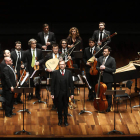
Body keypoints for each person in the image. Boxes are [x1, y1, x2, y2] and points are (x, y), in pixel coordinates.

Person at [51, 60, 74, 126]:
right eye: (60, 64)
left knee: (65, 107)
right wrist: (52, 93)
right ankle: (60, 120)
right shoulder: (55, 73)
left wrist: (72, 93)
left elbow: (71, 84)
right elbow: (53, 84)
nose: (61, 65)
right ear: (59, 65)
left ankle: (66, 121)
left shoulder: (68, 72)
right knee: (59, 108)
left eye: (63, 64)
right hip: (58, 93)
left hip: (66, 93)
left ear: (65, 65)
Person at [96, 46, 116, 112]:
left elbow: (114, 69)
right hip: (101, 79)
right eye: (103, 51)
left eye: (105, 51)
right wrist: (100, 68)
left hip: (108, 79)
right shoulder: (100, 58)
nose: (104, 52)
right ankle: (102, 105)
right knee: (101, 93)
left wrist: (105, 68)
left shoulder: (112, 59)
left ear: (109, 52)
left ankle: (108, 107)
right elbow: (97, 67)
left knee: (108, 94)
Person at [43, 43, 62, 110]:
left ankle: (60, 104)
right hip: (52, 74)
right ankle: (54, 104)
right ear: (52, 49)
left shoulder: (61, 55)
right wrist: (46, 69)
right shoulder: (48, 55)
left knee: (60, 89)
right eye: (54, 49)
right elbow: (43, 63)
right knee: (53, 90)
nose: (55, 50)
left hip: (60, 74)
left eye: (57, 48)